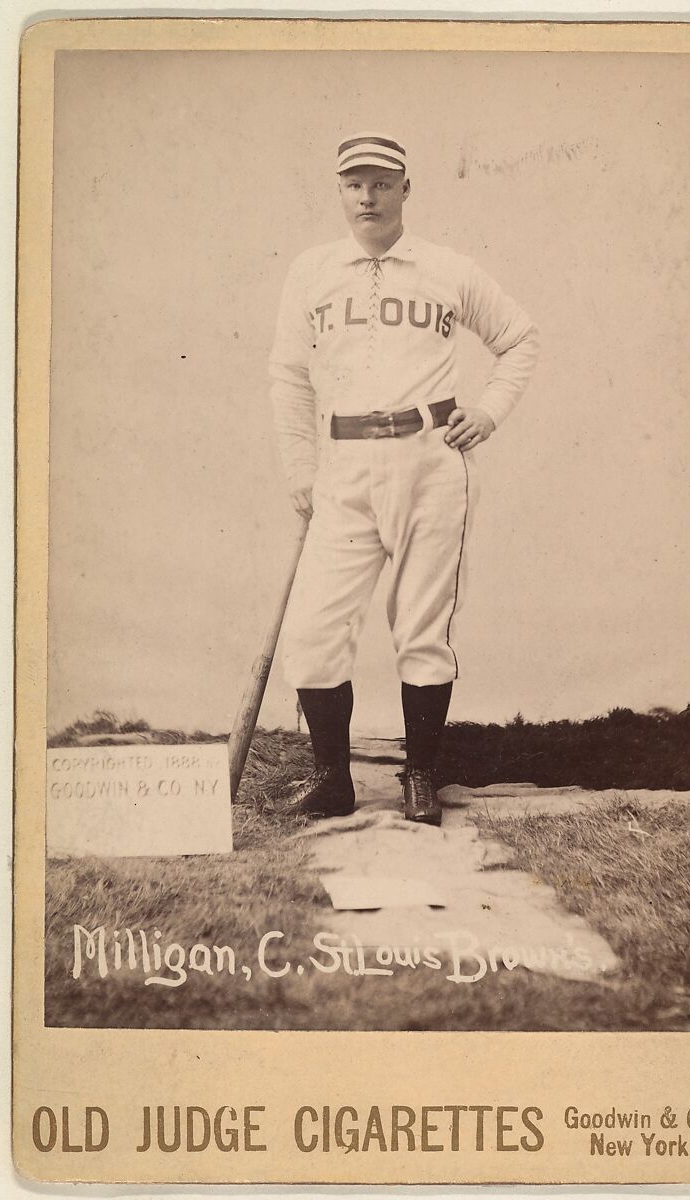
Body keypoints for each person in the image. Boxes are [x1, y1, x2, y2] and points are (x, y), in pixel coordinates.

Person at [269, 132, 540, 825]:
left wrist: (490, 411)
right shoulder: (311, 270)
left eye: (382, 183)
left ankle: (420, 775)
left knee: (421, 629)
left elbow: (518, 337)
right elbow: (289, 377)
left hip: (428, 458)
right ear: (339, 190)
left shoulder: (446, 268)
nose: (368, 195)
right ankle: (333, 779)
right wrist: (300, 467)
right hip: (343, 464)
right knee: (313, 632)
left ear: (406, 190)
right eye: (355, 183)